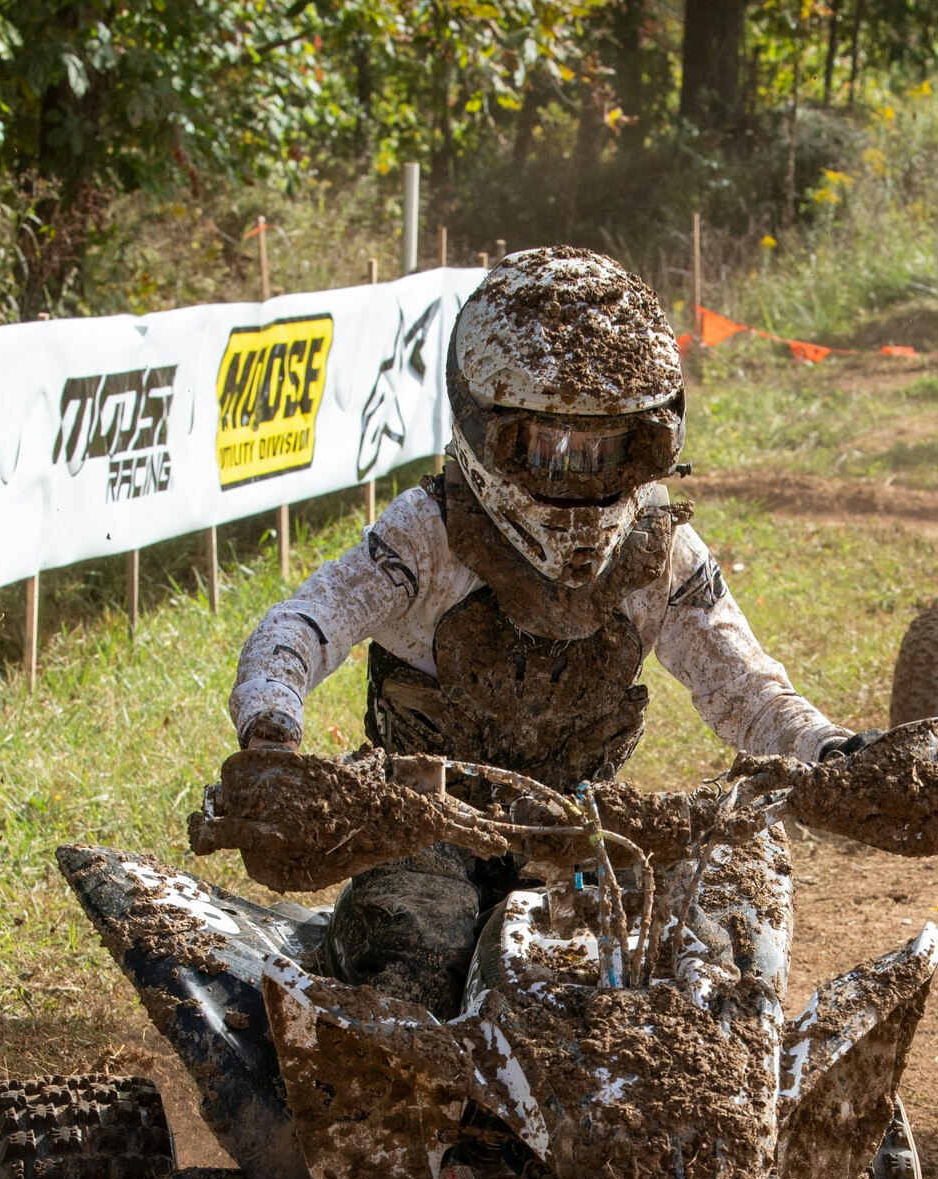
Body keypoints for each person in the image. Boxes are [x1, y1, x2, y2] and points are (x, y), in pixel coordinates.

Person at [228, 248, 868, 1020]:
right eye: (548, 446)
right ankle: (393, 1121)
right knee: (419, 952)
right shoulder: (428, 535)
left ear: (651, 442)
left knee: (686, 971)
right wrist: (272, 725)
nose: (578, 472)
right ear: (487, 429)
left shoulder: (656, 553)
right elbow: (299, 626)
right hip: (421, 831)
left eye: (605, 448)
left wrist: (832, 752)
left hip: (580, 836)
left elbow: (748, 688)